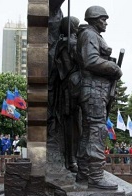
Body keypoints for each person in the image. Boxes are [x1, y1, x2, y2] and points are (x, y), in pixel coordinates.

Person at [76, 5, 122, 190]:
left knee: (89, 132)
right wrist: (114, 68)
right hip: (93, 91)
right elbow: (91, 60)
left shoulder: (92, 35)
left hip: (96, 90)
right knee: (96, 131)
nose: (106, 22)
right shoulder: (90, 35)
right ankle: (95, 176)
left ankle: (83, 173)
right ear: (94, 19)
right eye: (103, 19)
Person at [52, 15, 80, 173]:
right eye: (76, 25)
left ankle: (74, 158)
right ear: (72, 27)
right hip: (70, 91)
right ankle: (71, 160)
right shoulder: (69, 43)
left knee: (76, 126)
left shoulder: (69, 43)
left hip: (74, 89)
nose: (78, 27)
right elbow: (77, 65)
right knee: (72, 127)